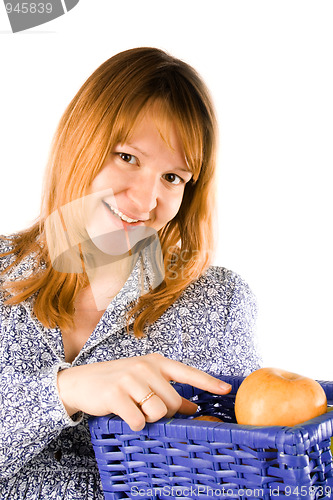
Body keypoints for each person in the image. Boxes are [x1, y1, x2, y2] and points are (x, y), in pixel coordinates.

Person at [0, 47, 261, 499]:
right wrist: (62, 391)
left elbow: (244, 474)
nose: (144, 201)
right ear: (80, 142)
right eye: (127, 157)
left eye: (173, 178)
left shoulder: (218, 303)